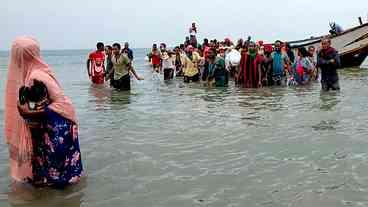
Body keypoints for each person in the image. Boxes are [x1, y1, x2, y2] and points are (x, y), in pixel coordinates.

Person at [5, 36, 83, 188]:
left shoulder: (35, 76)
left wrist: (23, 111)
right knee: (62, 171)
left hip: (56, 125)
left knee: (53, 172)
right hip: (63, 121)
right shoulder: (40, 71)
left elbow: (38, 109)